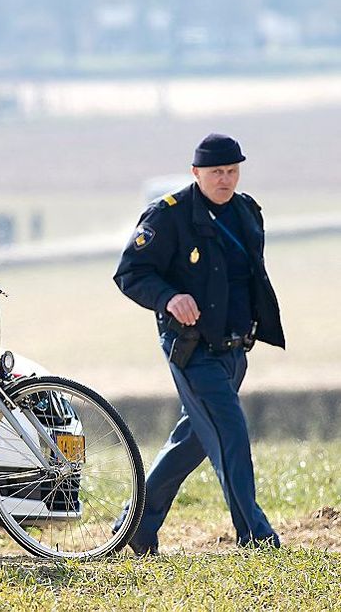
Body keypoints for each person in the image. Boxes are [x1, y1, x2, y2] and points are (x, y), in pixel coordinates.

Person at [112, 133, 285, 555]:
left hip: (234, 353)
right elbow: (130, 274)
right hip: (192, 350)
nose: (225, 180)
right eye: (215, 173)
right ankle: (256, 536)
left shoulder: (247, 212)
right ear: (196, 173)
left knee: (192, 441)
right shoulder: (169, 216)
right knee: (230, 434)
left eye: (232, 171)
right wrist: (169, 297)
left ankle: (134, 526)